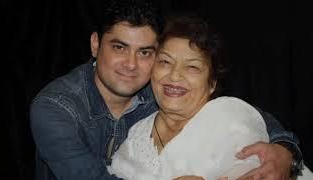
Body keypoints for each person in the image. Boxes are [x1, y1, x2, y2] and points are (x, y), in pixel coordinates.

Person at [30, 0, 303, 180]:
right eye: (119, 47)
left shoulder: (160, 89)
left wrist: (285, 151)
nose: (131, 65)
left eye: (145, 52)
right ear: (94, 44)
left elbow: (244, 115)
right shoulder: (55, 108)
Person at [105, 14, 301, 180]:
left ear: (212, 83)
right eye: (165, 62)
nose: (174, 75)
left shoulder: (232, 123)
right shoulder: (134, 138)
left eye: (192, 67)